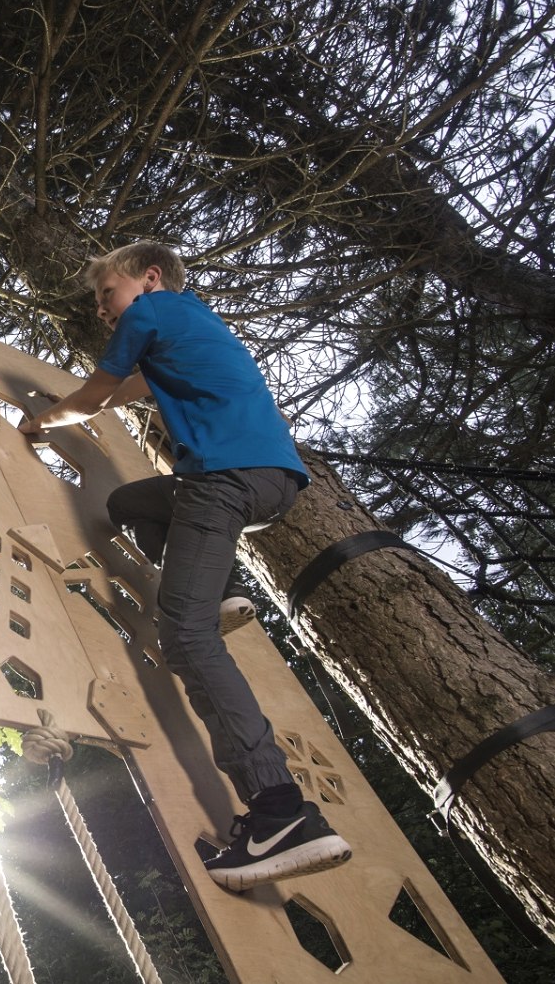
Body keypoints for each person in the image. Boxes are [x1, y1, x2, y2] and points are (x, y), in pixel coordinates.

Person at [18, 241, 352, 892]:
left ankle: (279, 812)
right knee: (129, 501)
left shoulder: (152, 311)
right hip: (270, 482)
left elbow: (93, 397)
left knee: (185, 637)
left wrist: (40, 421)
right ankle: (207, 587)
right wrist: (102, 398)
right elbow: (134, 388)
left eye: (105, 295)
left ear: (147, 279)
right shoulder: (194, 320)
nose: (102, 309)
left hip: (222, 482)